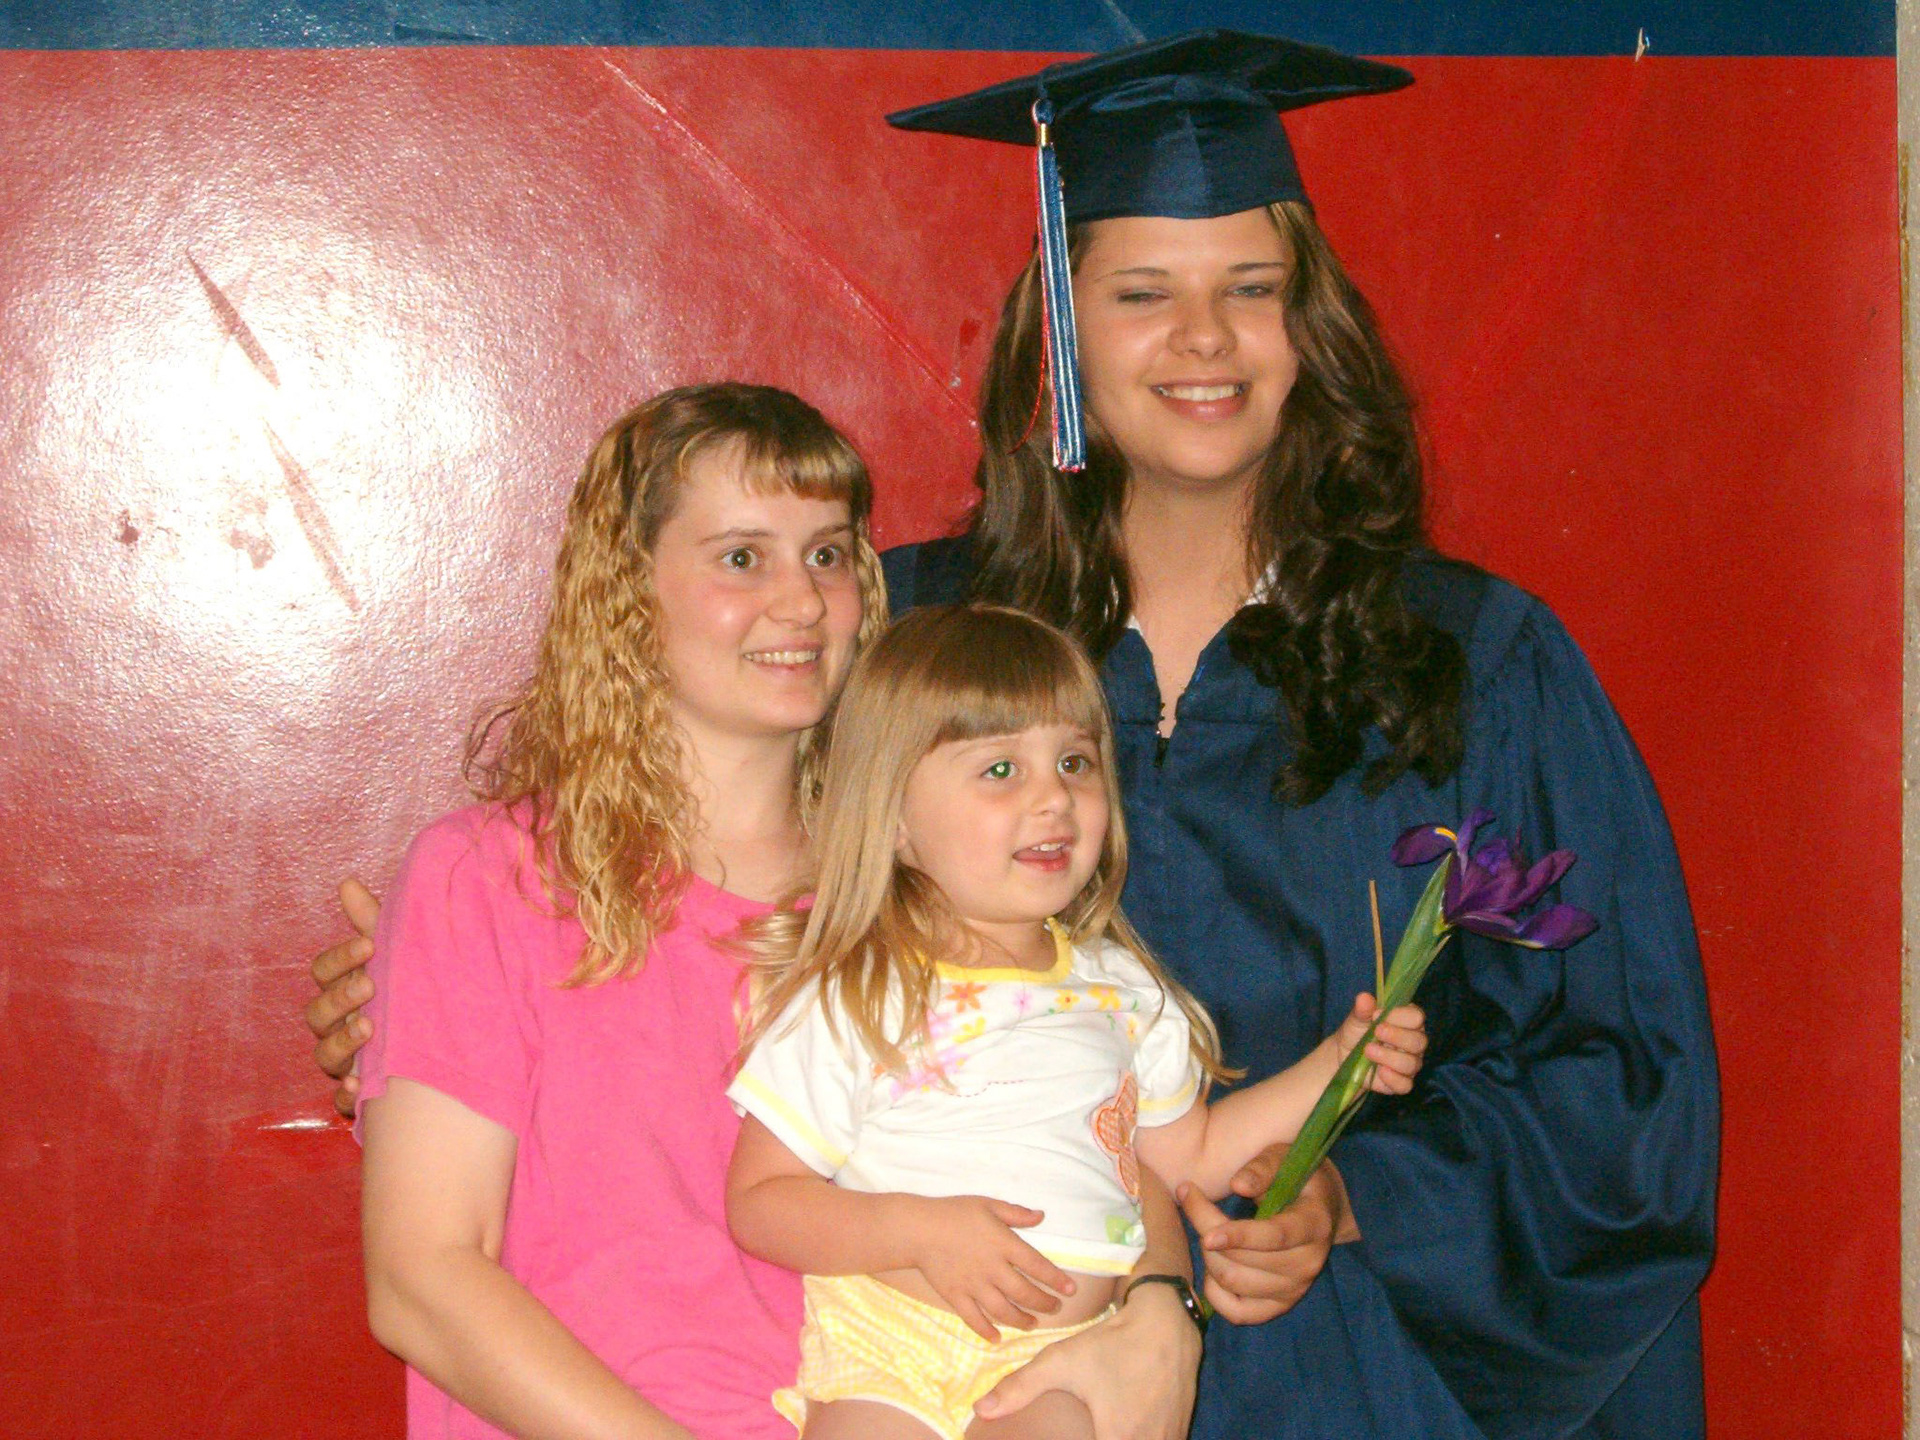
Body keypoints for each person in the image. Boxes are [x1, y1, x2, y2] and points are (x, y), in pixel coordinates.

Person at [312, 30, 1719, 1440]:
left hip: (1338, 1370)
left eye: (1254, 289)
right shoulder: (917, 635)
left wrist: (1358, 1195)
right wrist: (430, 991)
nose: (1206, 340)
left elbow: (1624, 1078)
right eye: (1142, 293)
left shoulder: (1469, 663)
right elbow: (703, 892)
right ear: (1061, 329)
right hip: (957, 1371)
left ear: (1314, 326)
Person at [348, 384, 1200, 1440]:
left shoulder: (929, 885)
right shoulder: (492, 879)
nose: (802, 601)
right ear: (627, 589)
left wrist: (1162, 1308)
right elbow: (425, 1279)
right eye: (743, 557)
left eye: (829, 554)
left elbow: (1098, 1128)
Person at [722, 603, 1427, 1440]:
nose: (1054, 797)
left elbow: (1192, 1157)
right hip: (890, 1347)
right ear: (895, 819)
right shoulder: (863, 989)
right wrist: (919, 1230)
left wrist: (1340, 1062)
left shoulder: (1124, 991)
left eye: (1074, 761)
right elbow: (761, 1202)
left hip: (1067, 1362)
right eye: (1000, 770)